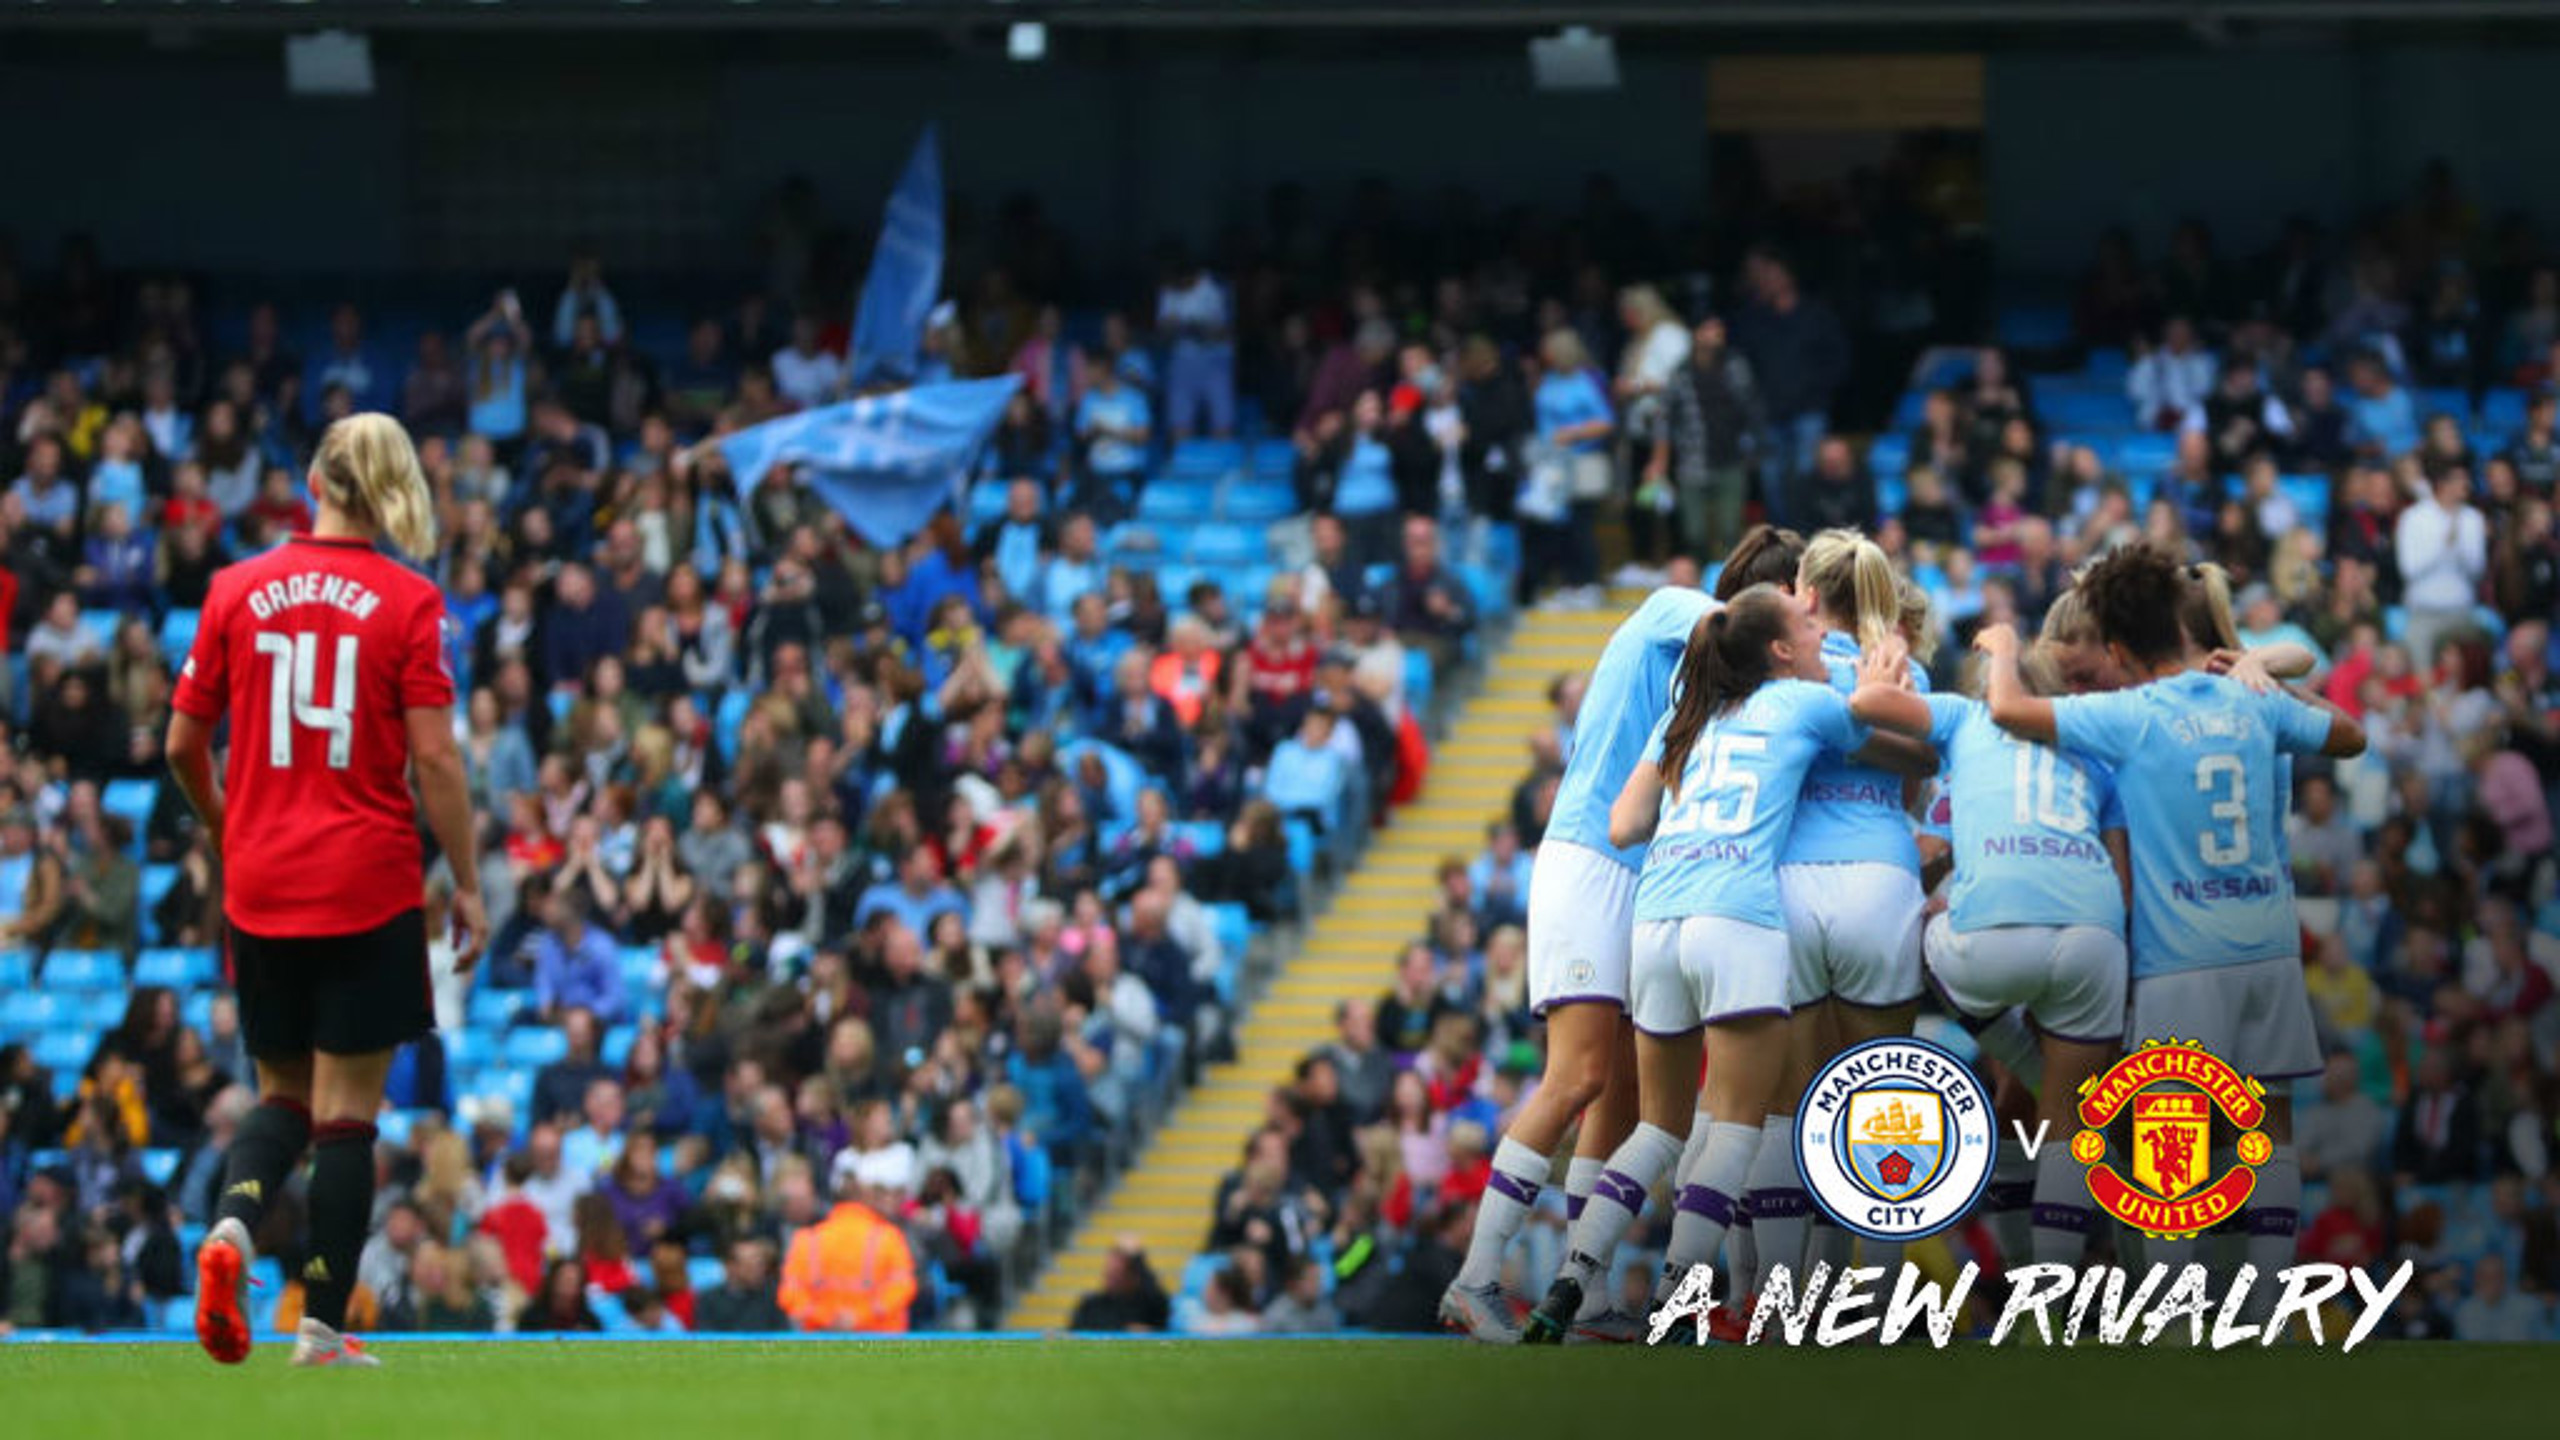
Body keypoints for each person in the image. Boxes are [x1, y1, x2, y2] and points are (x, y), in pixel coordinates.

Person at [169, 413, 487, 1369]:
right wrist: (466, 882)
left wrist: (233, 832)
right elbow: (434, 757)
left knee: (279, 1099)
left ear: (314, 480)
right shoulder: (409, 600)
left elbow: (183, 744)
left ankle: (229, 1231)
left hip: (263, 884)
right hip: (367, 879)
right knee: (348, 1115)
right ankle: (319, 1328)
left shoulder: (235, 587)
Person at [1438, 524, 1804, 1342]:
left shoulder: (1722, 692)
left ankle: (1590, 1293)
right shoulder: (1677, 609)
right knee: (1576, 1077)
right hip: (1589, 860)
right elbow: (1723, 628)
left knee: (1628, 1094)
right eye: (1791, 609)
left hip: (1646, 877)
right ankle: (1475, 1277)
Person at [1977, 541, 2365, 1295]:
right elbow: (2352, 735)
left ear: (2119, 647)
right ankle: (2263, 1303)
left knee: (2170, 1138)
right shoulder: (2248, 699)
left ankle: (2172, 1305)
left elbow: (2007, 710)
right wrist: (2270, 680)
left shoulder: (2129, 714)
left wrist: (1999, 649)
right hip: (2269, 949)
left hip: (2180, 958)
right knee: (2270, 1126)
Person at [1522, 584, 1896, 1344]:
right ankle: (1676, 1294)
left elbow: (1625, 824)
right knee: (1735, 1125)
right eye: (1807, 625)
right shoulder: (1799, 704)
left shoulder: (1679, 718)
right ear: (1778, 652)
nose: (1821, 633)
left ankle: (1571, 1281)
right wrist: (1884, 673)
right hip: (1737, 918)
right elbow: (1888, 739)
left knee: (1657, 1130)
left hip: (1657, 918)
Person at [1847, 623, 2132, 1271]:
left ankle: (2036, 1287)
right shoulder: (2091, 750)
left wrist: (1882, 662)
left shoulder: (1965, 722)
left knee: (1912, 934)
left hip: (1988, 940)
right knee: (2061, 1123)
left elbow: (1865, 711)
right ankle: (2046, 1300)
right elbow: (2124, 886)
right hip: (2090, 934)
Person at [1747, 529, 1935, 1298]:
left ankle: (1783, 1300)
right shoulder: (1907, 669)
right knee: (1880, 1091)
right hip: (1880, 883)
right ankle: (1877, 1299)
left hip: (1790, 885)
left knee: (1787, 1103)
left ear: (1809, 591)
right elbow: (1916, 788)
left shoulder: (1786, 672)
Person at [776, 1168, 918, 1333]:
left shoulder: (807, 1239)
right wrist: (860, 1316)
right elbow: (903, 1287)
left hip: (823, 1342)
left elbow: (790, 1294)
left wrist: (827, 1318)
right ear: (867, 1199)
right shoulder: (889, 1237)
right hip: (881, 1342)